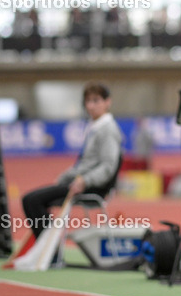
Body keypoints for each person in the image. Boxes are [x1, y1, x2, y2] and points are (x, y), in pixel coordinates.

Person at [21, 82, 123, 238]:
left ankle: (49, 247)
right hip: (80, 183)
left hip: (91, 187)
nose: (90, 106)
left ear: (107, 102)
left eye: (96, 101)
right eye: (87, 101)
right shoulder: (95, 127)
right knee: (32, 200)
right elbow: (83, 165)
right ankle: (49, 244)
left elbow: (108, 167)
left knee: (32, 201)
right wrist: (64, 178)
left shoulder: (107, 129)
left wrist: (85, 181)